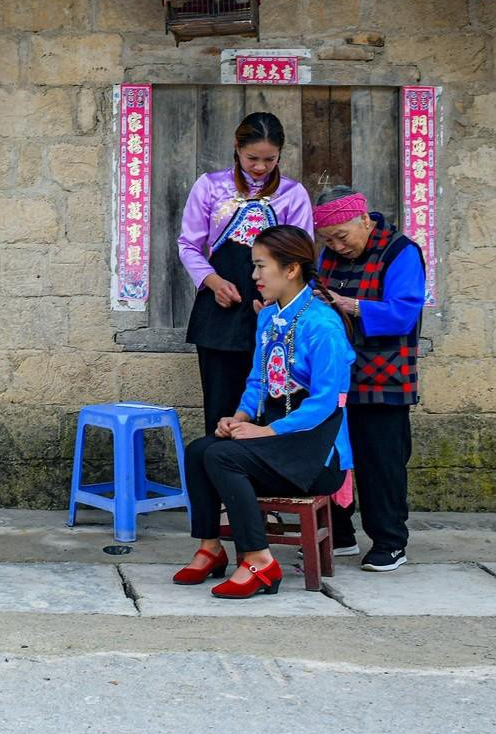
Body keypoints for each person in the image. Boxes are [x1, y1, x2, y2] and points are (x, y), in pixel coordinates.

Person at [171, 225, 354, 600]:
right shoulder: (269, 317)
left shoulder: (323, 325)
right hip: (279, 447)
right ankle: (211, 547)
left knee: (223, 458)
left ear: (291, 270)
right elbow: (257, 379)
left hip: (315, 454)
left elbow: (325, 402)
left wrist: (265, 433)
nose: (253, 276)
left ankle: (258, 559)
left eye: (260, 267)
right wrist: (238, 418)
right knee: (200, 450)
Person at [312, 184, 426, 572]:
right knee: (333, 457)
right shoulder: (328, 256)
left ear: (364, 220)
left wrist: (353, 306)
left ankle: (390, 541)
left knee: (381, 462)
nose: (337, 246)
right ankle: (339, 534)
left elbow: (404, 312)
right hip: (336, 377)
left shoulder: (401, 252)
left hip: (385, 378)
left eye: (341, 237)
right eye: (328, 240)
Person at [178, 112, 314, 433]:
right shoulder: (210, 187)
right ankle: (219, 475)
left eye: (270, 159)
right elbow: (188, 245)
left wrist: (279, 299)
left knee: (272, 406)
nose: (260, 167)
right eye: (252, 157)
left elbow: (301, 258)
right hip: (220, 313)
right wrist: (213, 282)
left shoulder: (293, 195)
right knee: (220, 408)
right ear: (236, 148)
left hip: (274, 314)